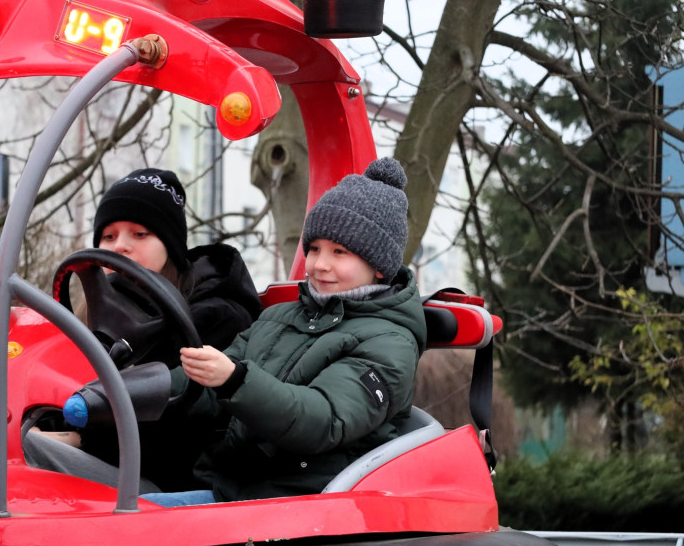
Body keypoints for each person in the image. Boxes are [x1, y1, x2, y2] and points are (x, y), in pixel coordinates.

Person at [141, 157, 427, 507]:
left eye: (340, 252)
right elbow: (205, 382)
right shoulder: (280, 316)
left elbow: (323, 419)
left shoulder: (389, 344)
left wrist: (234, 380)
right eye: (315, 249)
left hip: (299, 510)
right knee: (115, 511)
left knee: (127, 529)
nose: (321, 264)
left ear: (380, 268)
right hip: (235, 490)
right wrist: (135, 391)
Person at [24, 167, 263, 491]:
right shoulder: (94, 313)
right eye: (108, 236)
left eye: (139, 234)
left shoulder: (218, 317)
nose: (120, 246)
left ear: (170, 244)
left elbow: (176, 424)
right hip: (108, 464)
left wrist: (68, 436)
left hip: (165, 484)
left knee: (16, 453)